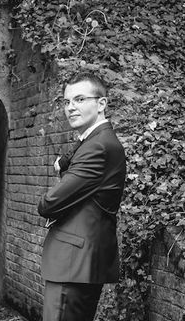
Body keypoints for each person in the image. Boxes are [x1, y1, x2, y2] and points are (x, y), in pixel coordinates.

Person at [37, 73, 126, 321]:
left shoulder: (98, 147)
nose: (70, 107)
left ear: (101, 104)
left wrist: (55, 188)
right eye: (66, 102)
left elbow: (49, 203)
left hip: (73, 264)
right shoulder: (95, 141)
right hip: (78, 263)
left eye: (79, 99)